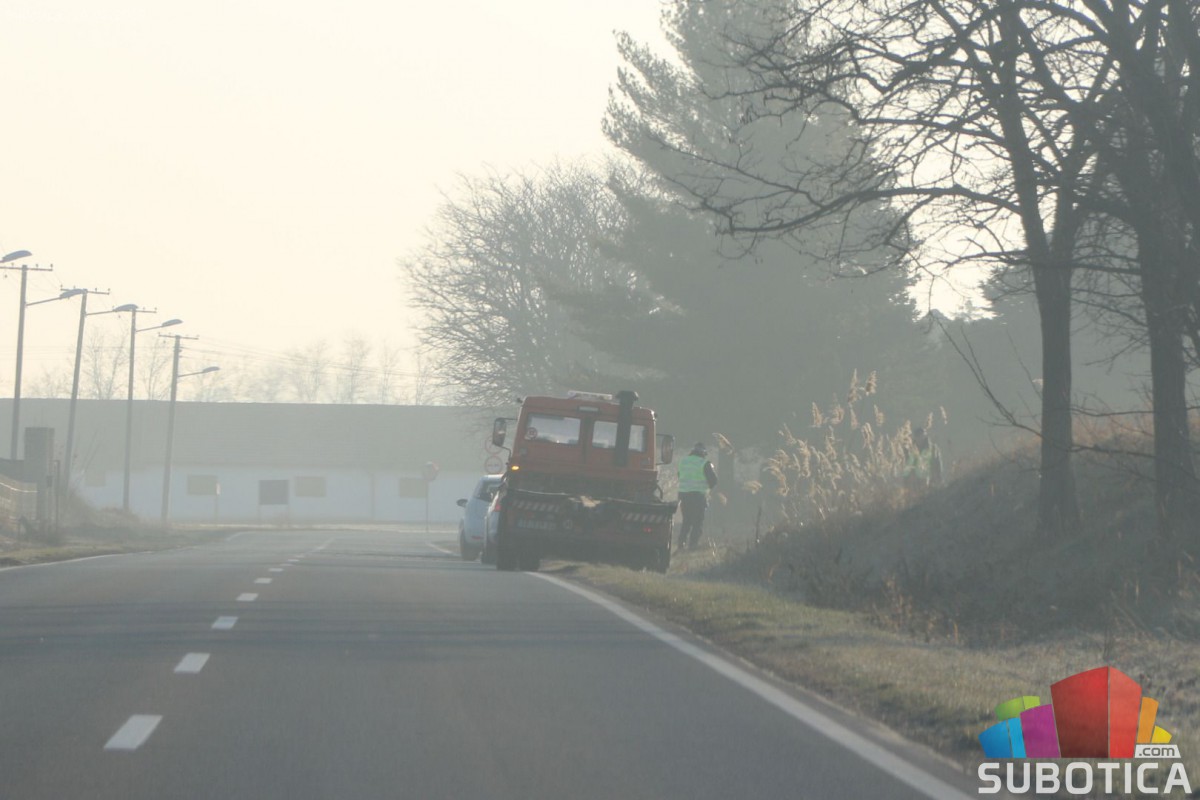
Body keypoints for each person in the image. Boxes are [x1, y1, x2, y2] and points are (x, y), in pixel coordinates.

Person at [677, 442, 718, 550]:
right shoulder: (704, 463)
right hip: (698, 497)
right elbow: (714, 481)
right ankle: (693, 545)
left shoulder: (683, 461)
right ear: (703, 453)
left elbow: (680, 476)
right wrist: (709, 489)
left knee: (686, 521)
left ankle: (681, 544)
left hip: (684, 496)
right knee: (697, 522)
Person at [902, 427, 942, 491]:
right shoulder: (911, 450)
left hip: (929, 479)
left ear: (924, 436)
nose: (919, 438)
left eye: (921, 436)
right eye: (917, 436)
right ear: (915, 437)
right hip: (916, 481)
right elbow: (908, 466)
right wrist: (906, 480)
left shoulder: (933, 449)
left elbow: (937, 464)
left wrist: (938, 477)